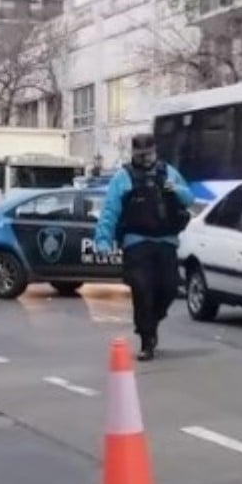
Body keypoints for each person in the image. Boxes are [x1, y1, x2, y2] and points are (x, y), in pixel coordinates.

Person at [95, 133, 194, 361]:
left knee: (169, 288)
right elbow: (110, 211)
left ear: (155, 151)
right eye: (141, 155)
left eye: (149, 154)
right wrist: (103, 240)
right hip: (136, 242)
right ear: (134, 155)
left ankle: (153, 321)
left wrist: (176, 190)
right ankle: (146, 339)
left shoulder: (168, 172)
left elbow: (189, 199)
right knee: (142, 290)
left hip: (166, 241)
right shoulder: (123, 177)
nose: (146, 159)